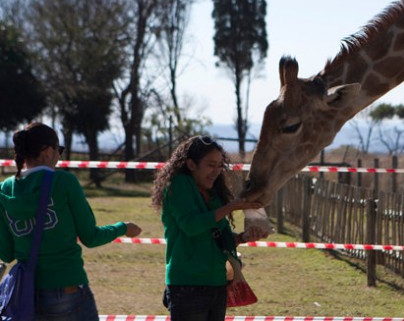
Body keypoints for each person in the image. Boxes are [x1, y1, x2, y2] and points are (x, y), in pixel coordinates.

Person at [0, 122, 142, 321]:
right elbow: (91, 237)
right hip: (69, 288)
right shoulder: (64, 182)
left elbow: (6, 252)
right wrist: (122, 228)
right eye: (58, 150)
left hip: (26, 296)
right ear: (47, 151)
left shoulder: (3, 191)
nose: (59, 156)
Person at [152, 135, 268, 321]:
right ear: (191, 164)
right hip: (187, 286)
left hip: (217, 284)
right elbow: (191, 225)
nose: (217, 171)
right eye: (211, 165)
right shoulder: (178, 185)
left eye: (220, 165)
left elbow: (217, 235)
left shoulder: (214, 192)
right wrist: (230, 207)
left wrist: (243, 237)